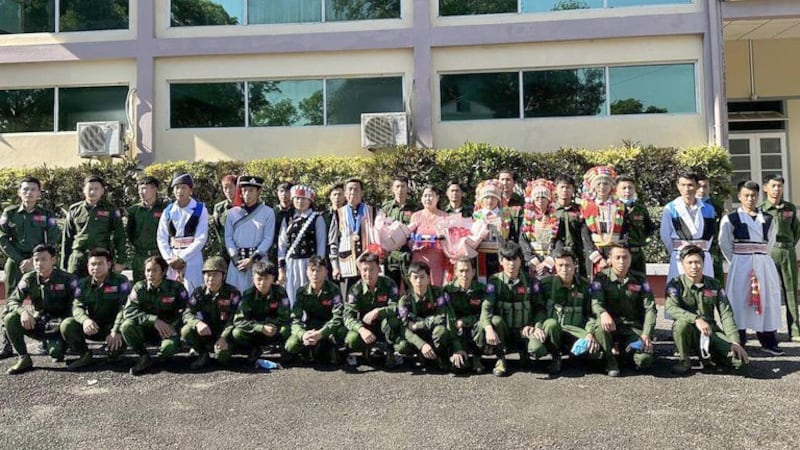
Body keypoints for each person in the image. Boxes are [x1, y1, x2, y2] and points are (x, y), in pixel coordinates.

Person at [719, 181, 783, 355]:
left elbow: (769, 243)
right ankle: (739, 339)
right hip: (740, 263)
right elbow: (724, 243)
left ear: (758, 197)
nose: (750, 199)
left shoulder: (768, 219)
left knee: (766, 299)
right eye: (746, 195)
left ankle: (768, 340)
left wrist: (758, 257)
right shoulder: (731, 218)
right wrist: (738, 259)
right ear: (739, 196)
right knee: (739, 300)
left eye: (753, 196)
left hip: (763, 264)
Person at [665, 245, 749, 374]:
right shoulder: (675, 284)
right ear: (682, 264)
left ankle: (709, 356)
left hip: (710, 331)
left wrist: (734, 342)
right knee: (681, 324)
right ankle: (684, 360)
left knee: (740, 362)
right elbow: (671, 308)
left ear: (703, 263)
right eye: (690, 262)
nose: (694, 266)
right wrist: (696, 319)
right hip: (689, 330)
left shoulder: (714, 284)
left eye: (698, 262)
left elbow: (726, 314)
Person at [0, 176, 58, 359]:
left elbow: (53, 239)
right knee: (11, 301)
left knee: (43, 299)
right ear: (19, 192)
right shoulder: (9, 213)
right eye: (25, 189)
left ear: (39, 193)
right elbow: (2, 239)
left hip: (40, 262)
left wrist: (37, 260)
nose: (29, 193)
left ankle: (44, 339)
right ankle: (6, 343)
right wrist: (20, 260)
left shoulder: (47, 214)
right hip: (15, 263)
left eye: (33, 189)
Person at [3, 244, 78, 374]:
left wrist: (65, 321)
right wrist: (23, 312)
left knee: (56, 353)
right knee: (10, 318)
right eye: (36, 260)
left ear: (53, 260)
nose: (39, 263)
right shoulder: (29, 279)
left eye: (44, 259)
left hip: (59, 325)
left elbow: (79, 303)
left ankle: (63, 345)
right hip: (40, 322)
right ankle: (23, 358)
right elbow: (12, 301)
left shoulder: (68, 279)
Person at [590, 244, 656, 377]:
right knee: (600, 326)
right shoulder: (601, 278)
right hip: (610, 325)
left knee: (645, 360)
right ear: (610, 259)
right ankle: (610, 360)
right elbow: (596, 302)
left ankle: (626, 353)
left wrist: (646, 334)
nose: (621, 261)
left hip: (631, 327)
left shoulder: (640, 279)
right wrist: (603, 313)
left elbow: (650, 308)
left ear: (630, 259)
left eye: (625, 257)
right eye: (617, 257)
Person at [529, 249, 598, 375]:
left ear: (575, 265)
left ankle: (573, 353)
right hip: (552, 331)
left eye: (568, 265)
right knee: (547, 330)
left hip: (574, 329)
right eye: (560, 265)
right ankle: (556, 357)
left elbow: (590, 314)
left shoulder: (585, 285)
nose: (564, 269)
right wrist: (538, 326)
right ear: (555, 266)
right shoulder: (545, 285)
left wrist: (590, 333)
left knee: (594, 350)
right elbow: (539, 309)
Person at [389, 262, 467, 372]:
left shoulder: (438, 293)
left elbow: (443, 317)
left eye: (422, 277)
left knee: (441, 331)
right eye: (415, 277)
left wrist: (417, 325)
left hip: (433, 333)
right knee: (402, 346)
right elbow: (405, 327)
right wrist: (422, 345)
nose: (419, 281)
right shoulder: (404, 300)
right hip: (416, 337)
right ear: (409, 280)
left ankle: (438, 355)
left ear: (428, 278)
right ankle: (420, 355)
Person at [61, 248, 131, 370]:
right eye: (93, 264)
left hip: (113, 327)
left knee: (114, 355)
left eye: (100, 264)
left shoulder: (120, 281)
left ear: (109, 265)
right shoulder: (82, 284)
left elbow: (125, 307)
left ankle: (115, 350)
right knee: (67, 324)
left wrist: (116, 330)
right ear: (88, 266)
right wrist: (85, 320)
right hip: (93, 327)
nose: (96, 267)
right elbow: (77, 306)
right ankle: (84, 355)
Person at [120, 256, 189, 375]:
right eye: (148, 270)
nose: (150, 274)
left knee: (168, 349)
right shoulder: (139, 287)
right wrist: (154, 320)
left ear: (163, 271)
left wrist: (174, 327)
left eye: (154, 270)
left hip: (168, 329)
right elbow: (129, 311)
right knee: (126, 326)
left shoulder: (176, 288)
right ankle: (144, 356)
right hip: (146, 328)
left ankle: (170, 350)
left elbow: (185, 310)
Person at [481, 241, 541, 377]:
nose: (511, 263)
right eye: (507, 259)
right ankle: (500, 358)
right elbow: (486, 309)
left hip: (524, 331)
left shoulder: (531, 281)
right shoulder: (494, 282)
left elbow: (539, 308)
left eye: (515, 259)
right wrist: (488, 328)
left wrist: (535, 326)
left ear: (521, 260)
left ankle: (525, 352)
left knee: (538, 348)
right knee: (495, 321)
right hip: (504, 332)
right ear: (501, 261)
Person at [339, 252, 401, 368]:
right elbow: (347, 316)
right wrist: (361, 329)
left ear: (379, 269)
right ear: (360, 271)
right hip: (365, 327)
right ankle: (365, 351)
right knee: (351, 339)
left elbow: (396, 307)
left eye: (372, 269)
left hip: (384, 325)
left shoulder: (389, 284)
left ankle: (390, 350)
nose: (368, 274)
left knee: (393, 322)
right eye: (364, 270)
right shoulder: (355, 289)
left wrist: (378, 311)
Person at [181, 256, 241, 370]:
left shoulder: (233, 293)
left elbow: (235, 318)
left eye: (215, 274)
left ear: (223, 276)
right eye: (207, 274)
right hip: (207, 332)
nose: (210, 278)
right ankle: (203, 354)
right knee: (186, 330)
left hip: (225, 333)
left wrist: (223, 337)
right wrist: (197, 323)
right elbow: (187, 313)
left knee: (222, 358)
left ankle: (228, 349)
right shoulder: (199, 292)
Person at [759, 174, 800, 342]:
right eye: (774, 186)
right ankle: (770, 329)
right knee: (770, 292)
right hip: (770, 252)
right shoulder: (761, 209)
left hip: (788, 251)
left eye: (780, 186)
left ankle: (795, 329)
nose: (777, 190)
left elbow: (796, 230)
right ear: (765, 188)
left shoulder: (789, 208)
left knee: (791, 291)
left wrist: (789, 246)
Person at [284, 257, 346, 363]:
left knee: (343, 333)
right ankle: (310, 350)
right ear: (307, 272)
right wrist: (303, 334)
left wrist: (321, 333)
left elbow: (338, 317)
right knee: (291, 345)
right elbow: (295, 318)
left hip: (329, 326)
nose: (315, 274)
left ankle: (330, 348)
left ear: (326, 272)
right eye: (312, 270)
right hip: (310, 326)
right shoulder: (302, 291)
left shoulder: (333, 289)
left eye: (319, 270)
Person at [62, 175, 125, 277]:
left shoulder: (110, 210)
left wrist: (120, 261)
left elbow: (120, 236)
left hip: (101, 258)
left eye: (96, 189)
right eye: (90, 188)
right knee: (75, 290)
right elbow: (67, 238)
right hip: (78, 258)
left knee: (99, 289)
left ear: (102, 191)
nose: (92, 192)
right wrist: (64, 264)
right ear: (84, 190)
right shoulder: (74, 209)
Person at [660, 171, 717, 284]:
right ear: (678, 186)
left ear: (696, 186)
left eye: (690, 185)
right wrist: (677, 251)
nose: (687, 189)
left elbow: (710, 234)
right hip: (680, 255)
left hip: (703, 255)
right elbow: (665, 234)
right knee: (679, 290)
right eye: (683, 185)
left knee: (706, 291)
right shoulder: (670, 208)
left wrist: (702, 249)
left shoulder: (708, 209)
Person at [156, 173, 209, 293]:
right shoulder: (168, 211)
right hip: (172, 258)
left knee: (193, 291)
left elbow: (201, 238)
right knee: (172, 293)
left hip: (192, 258)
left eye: (184, 187)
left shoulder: (200, 209)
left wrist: (182, 258)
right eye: (177, 187)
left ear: (191, 190)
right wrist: (169, 258)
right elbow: (161, 237)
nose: (180, 191)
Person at [230, 261, 291, 362]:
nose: (262, 283)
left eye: (266, 278)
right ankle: (253, 349)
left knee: (286, 329)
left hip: (274, 330)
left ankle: (283, 349)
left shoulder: (280, 292)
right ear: (253, 279)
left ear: (272, 278)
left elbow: (285, 316)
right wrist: (261, 327)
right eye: (259, 279)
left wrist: (271, 325)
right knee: (237, 332)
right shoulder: (248, 295)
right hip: (256, 331)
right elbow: (238, 320)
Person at [443, 257, 495, 373]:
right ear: (455, 272)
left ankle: (477, 358)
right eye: (461, 271)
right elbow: (449, 317)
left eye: (467, 270)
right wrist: (457, 348)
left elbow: (483, 314)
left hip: (473, 327)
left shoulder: (482, 290)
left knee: (483, 324)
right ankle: (456, 354)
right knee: (459, 368)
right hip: (456, 329)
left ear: (474, 272)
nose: (464, 274)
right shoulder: (448, 291)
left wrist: (465, 321)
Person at [278, 184, 326, 306]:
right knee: (291, 294)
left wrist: (318, 266)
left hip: (309, 264)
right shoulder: (288, 218)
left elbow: (321, 245)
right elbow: (282, 244)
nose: (300, 201)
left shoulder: (316, 218)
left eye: (303, 198)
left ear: (310, 201)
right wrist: (281, 268)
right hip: (291, 264)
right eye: (297, 198)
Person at [225, 176, 275, 293]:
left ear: (258, 192)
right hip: (237, 262)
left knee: (259, 295)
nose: (247, 194)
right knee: (235, 295)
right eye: (245, 190)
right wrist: (236, 259)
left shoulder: (268, 212)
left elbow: (268, 238)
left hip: (259, 261)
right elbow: (228, 237)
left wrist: (252, 260)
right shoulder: (232, 213)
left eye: (251, 190)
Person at [329, 178, 377, 296]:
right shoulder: (338, 213)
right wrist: (335, 267)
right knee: (349, 298)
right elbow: (333, 242)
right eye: (350, 189)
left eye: (356, 189)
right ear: (345, 193)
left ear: (362, 192)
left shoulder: (372, 211)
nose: (353, 192)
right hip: (347, 264)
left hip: (368, 264)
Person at [580, 166, 626, 277]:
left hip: (615, 252)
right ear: (593, 187)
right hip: (595, 251)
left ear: (611, 186)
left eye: (605, 184)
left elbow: (625, 231)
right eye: (598, 184)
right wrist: (597, 258)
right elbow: (585, 235)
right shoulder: (587, 206)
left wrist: (614, 256)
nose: (602, 187)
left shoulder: (620, 206)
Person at [471, 180, 521, 283]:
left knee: (500, 281)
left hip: (501, 254)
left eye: (493, 197)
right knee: (482, 280)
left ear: (498, 199)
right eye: (486, 197)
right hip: (481, 254)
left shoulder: (505, 214)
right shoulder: (477, 214)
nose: (489, 201)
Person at [126, 176, 169, 283]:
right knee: (139, 286)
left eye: (144, 188)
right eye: (139, 189)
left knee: (161, 285)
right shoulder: (134, 210)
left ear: (154, 189)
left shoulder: (165, 209)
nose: (141, 192)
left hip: (159, 254)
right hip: (140, 255)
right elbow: (130, 232)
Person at [408, 185, 449, 286]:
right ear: (421, 198)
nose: (428, 198)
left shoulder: (445, 217)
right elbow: (409, 239)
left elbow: (449, 242)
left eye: (430, 195)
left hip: (437, 261)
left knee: (435, 291)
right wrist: (414, 245)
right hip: (418, 259)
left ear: (437, 198)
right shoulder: (415, 216)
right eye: (425, 196)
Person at [382, 175, 418, 290]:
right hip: (392, 256)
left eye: (403, 186)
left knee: (411, 289)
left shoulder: (415, 207)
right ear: (392, 189)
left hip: (409, 255)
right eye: (397, 186)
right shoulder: (386, 208)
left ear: (408, 188)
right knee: (392, 289)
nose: (400, 190)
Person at [519, 179, 559, 279]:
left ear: (549, 200)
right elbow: (522, 240)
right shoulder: (526, 218)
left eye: (543, 198)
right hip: (533, 261)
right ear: (532, 200)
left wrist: (549, 261)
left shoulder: (556, 218)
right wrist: (531, 259)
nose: (540, 200)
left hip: (550, 261)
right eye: (537, 198)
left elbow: (559, 241)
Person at [615, 175, 655, 275]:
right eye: (623, 188)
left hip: (636, 253)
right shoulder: (612, 206)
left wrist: (641, 239)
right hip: (619, 254)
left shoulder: (640, 207)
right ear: (616, 190)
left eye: (630, 187)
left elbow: (649, 227)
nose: (627, 191)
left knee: (639, 283)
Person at [553, 174, 585, 278]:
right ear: (556, 189)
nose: (565, 190)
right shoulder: (550, 210)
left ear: (573, 189)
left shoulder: (580, 209)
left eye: (568, 187)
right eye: (562, 187)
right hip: (556, 254)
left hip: (576, 253)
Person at [696, 173, 725, 283]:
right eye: (699, 186)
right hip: (694, 246)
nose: (702, 190)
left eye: (705, 186)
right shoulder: (688, 204)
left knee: (716, 281)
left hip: (712, 248)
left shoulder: (715, 204)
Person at [211, 174, 238, 265]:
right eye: (225, 188)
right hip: (225, 250)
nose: (228, 191)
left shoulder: (245, 207)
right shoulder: (219, 208)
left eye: (231, 187)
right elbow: (217, 228)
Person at [270, 181, 295, 263]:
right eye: (281, 191)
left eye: (287, 191)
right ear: (277, 193)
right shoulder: (272, 213)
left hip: (293, 252)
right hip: (273, 252)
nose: (284, 194)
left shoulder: (296, 212)